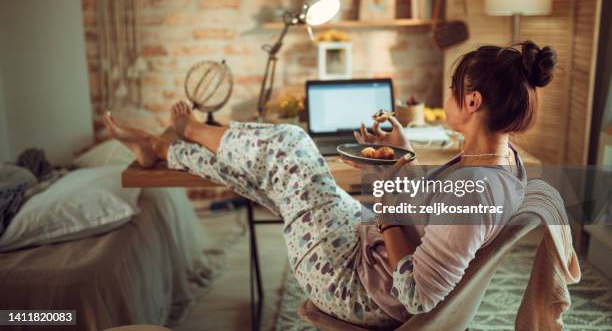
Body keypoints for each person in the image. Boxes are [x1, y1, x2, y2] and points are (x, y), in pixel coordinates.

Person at [105, 41, 556, 327]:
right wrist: (401, 159)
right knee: (281, 168)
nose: (447, 95)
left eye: (453, 88)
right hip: (369, 254)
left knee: (290, 144)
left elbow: (417, 296)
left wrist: (383, 196)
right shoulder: (502, 161)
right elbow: (433, 216)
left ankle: (190, 134)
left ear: (472, 101)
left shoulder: (477, 188)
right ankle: (160, 150)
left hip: (359, 287)